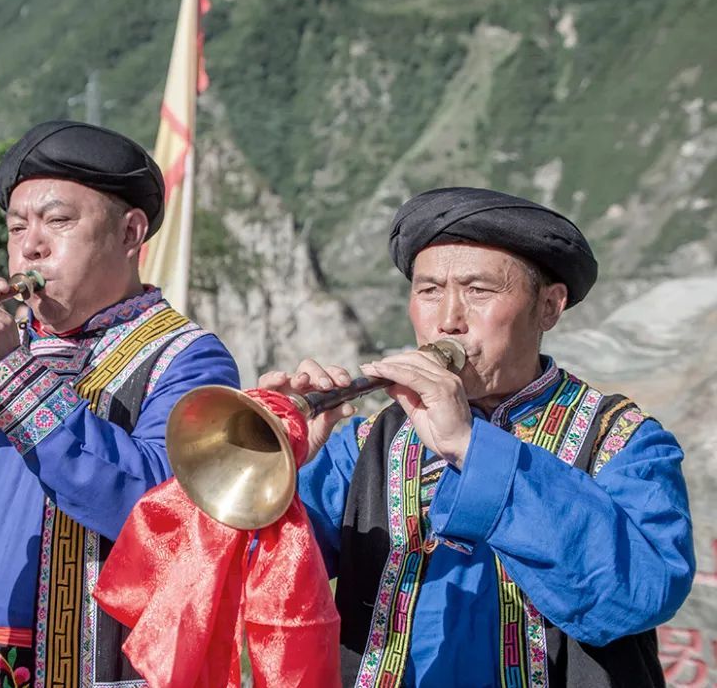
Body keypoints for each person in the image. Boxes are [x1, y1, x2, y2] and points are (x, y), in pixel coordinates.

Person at [262, 187, 694, 687]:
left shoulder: (624, 442)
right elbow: (251, 582)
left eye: (478, 290)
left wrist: (471, 447)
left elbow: (637, 595)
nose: (447, 320)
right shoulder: (364, 445)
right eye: (428, 291)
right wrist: (278, 461)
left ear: (549, 307)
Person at [0, 120, 240, 687]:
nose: (30, 245)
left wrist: (12, 376)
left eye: (58, 221)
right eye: (16, 227)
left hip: (97, 668)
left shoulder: (188, 358)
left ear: (131, 233)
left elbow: (158, 507)